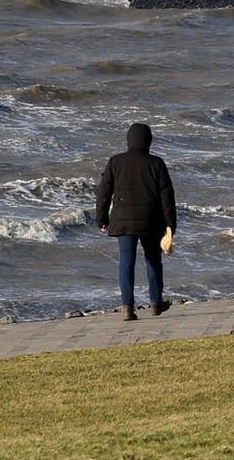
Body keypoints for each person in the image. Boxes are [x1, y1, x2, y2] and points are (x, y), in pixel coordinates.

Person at [95, 122, 177, 321]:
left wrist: (102, 218)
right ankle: (156, 304)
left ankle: (127, 308)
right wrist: (170, 226)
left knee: (126, 262)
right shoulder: (156, 163)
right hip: (151, 221)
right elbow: (167, 197)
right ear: (148, 141)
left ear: (129, 140)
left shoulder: (115, 162)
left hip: (123, 222)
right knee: (153, 261)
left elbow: (103, 193)